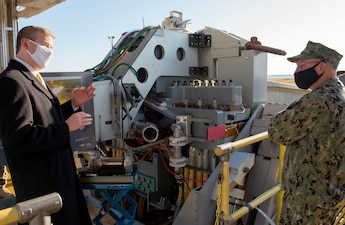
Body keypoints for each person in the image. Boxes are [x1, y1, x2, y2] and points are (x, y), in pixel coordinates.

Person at [0, 26, 95, 225]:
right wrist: (66, 128)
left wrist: (72, 105)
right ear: (25, 43)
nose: (49, 52)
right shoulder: (12, 81)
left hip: (57, 178)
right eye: (45, 46)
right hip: (43, 186)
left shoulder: (32, 77)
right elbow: (19, 137)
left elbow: (44, 118)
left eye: (51, 48)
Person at [268, 41, 345, 224]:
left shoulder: (317, 101)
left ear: (322, 67)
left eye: (302, 65)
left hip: (306, 202)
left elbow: (276, 130)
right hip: (328, 195)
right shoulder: (339, 94)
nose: (297, 71)